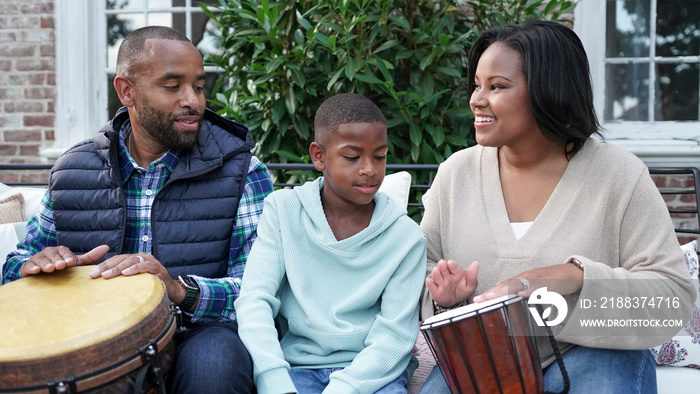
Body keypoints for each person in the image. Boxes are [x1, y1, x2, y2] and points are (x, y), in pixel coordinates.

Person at [418, 20, 697, 393]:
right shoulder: (456, 175)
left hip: (600, 354)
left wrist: (572, 277)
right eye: (477, 85)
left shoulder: (619, 175)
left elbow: (670, 299)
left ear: (548, 90)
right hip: (487, 358)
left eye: (496, 86)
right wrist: (445, 301)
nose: (476, 99)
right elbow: (420, 276)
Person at [2, 26, 273, 394]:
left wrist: (179, 290)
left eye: (198, 85)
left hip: (202, 331)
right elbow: (15, 268)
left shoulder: (242, 170)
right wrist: (39, 267)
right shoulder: (73, 170)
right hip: (99, 336)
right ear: (126, 91)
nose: (193, 101)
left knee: (213, 368)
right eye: (173, 86)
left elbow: (259, 290)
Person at [234, 93, 427, 394]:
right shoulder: (283, 211)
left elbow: (395, 335)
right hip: (297, 370)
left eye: (380, 156)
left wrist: (343, 388)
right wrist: (273, 379)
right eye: (352, 157)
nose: (369, 169)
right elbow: (254, 301)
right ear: (319, 156)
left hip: (374, 375)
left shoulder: (406, 237)